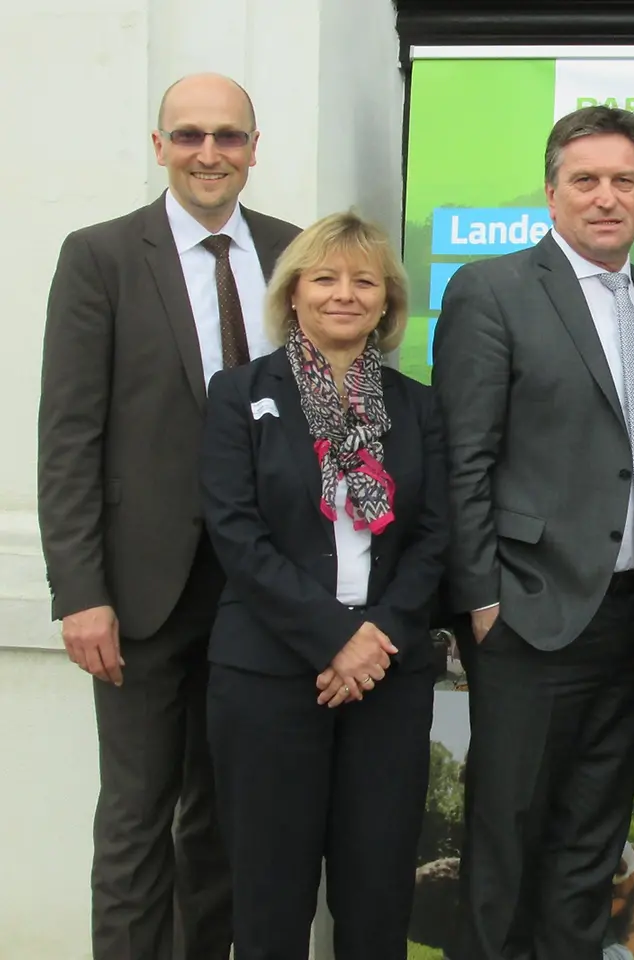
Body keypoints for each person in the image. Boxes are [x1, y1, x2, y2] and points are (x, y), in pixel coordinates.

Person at [37, 73, 300, 960]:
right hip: (142, 597)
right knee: (138, 823)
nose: (209, 153)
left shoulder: (293, 253)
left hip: (262, 592)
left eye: (228, 136)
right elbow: (69, 436)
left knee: (228, 820)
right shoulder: (101, 256)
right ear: (159, 147)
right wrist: (80, 593)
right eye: (189, 136)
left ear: (255, 149)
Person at [432, 105, 634, 959]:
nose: (606, 198)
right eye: (586, 180)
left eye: (625, 181)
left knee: (591, 840)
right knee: (507, 839)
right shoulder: (491, 289)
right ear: (550, 192)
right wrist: (480, 602)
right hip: (530, 611)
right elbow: (462, 456)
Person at [198, 211, 449, 959]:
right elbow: (236, 532)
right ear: (295, 292)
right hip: (269, 674)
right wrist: (334, 638)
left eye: (364, 280)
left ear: (386, 302)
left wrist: (377, 640)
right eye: (326, 277)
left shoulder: (417, 406)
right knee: (270, 897)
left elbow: (434, 536)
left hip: (387, 677)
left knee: (377, 897)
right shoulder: (239, 395)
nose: (345, 293)